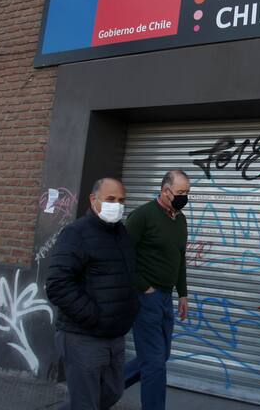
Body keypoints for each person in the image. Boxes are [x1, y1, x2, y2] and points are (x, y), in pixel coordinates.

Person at [46, 178, 139, 410]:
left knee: (113, 391)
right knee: (86, 402)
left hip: (114, 336)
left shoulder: (122, 234)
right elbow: (58, 285)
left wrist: (129, 309)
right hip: (83, 336)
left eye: (121, 200)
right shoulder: (75, 233)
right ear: (93, 199)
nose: (116, 205)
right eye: (110, 199)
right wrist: (93, 316)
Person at [124, 170, 190, 410]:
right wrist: (144, 287)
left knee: (158, 356)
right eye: (180, 192)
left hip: (166, 297)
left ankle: (104, 388)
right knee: (154, 364)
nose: (185, 197)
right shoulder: (142, 216)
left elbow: (180, 258)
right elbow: (123, 255)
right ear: (165, 191)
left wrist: (182, 293)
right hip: (145, 298)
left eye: (187, 193)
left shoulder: (180, 219)